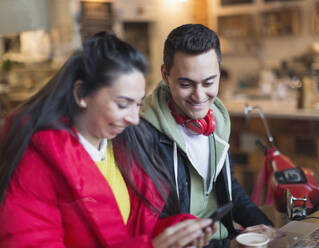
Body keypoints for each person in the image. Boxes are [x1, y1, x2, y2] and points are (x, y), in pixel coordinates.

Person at [0, 32, 216, 247]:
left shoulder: (124, 145)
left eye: (138, 104)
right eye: (123, 104)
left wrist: (178, 232)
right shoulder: (36, 162)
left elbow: (128, 232)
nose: (134, 119)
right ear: (82, 94)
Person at [140, 24, 281, 247]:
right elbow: (159, 228)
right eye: (186, 84)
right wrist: (231, 242)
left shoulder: (217, 120)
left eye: (209, 82)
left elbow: (229, 187)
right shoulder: (144, 134)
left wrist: (269, 232)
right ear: (165, 75)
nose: (199, 96)